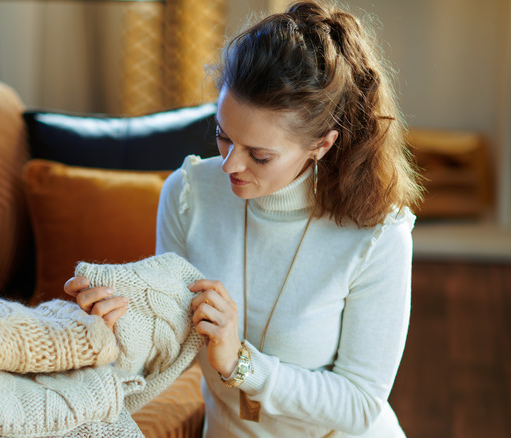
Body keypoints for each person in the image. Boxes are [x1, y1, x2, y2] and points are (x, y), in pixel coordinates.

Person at [64, 1, 423, 436]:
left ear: (322, 145)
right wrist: (119, 326)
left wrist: (241, 363)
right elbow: (171, 340)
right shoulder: (187, 195)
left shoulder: (377, 234)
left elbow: (361, 403)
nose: (231, 166)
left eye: (260, 154)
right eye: (223, 135)